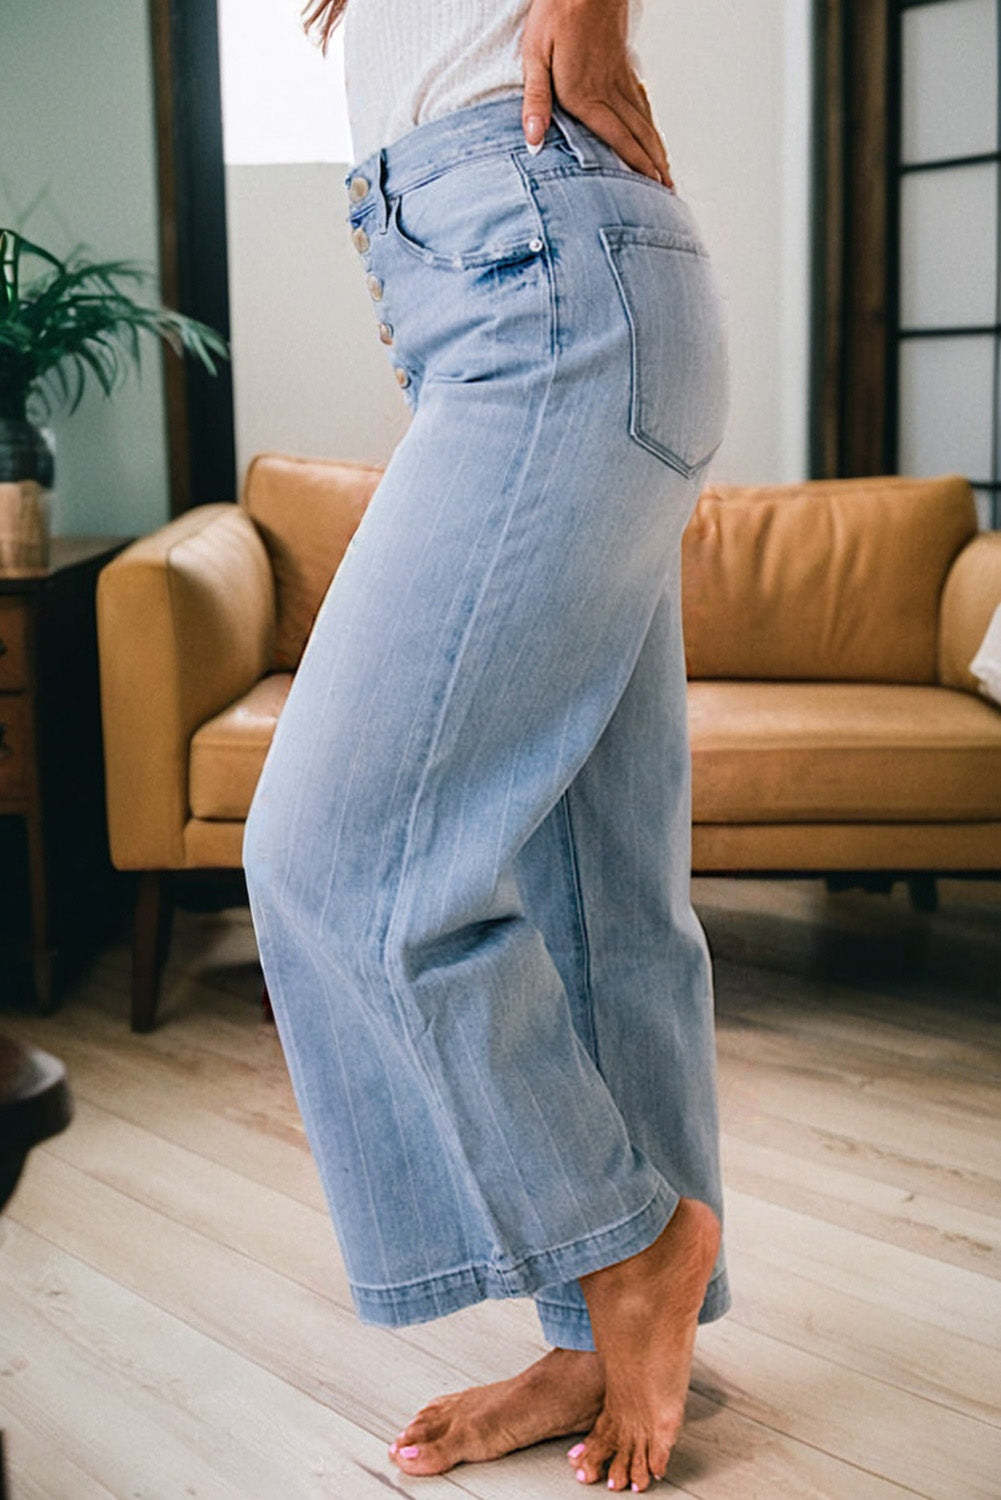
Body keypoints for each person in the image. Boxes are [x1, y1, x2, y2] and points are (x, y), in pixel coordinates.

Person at [242, 0, 733, 1491]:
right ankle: (597, 1335)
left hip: (545, 276)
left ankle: (626, 1245)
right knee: (598, 895)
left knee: (334, 856)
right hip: (517, 279)